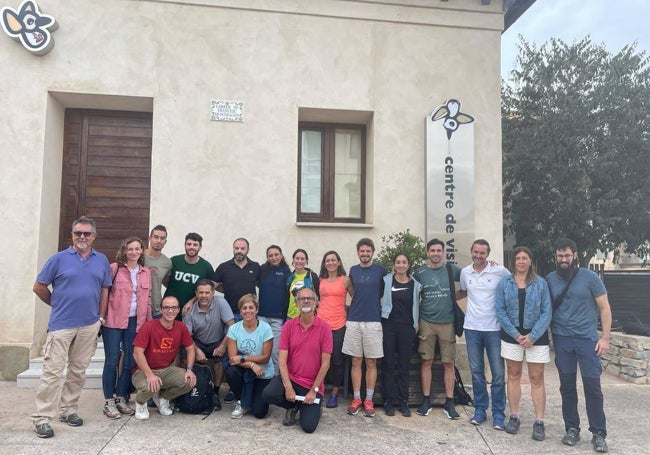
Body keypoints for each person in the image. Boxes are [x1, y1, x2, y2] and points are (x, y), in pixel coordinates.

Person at [31, 216, 111, 439]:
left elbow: (105, 289)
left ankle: (68, 410)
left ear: (94, 236)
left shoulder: (101, 260)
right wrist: (56, 303)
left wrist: (101, 317)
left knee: (78, 371)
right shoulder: (58, 259)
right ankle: (42, 418)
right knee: (52, 373)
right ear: (72, 235)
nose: (82, 237)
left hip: (89, 325)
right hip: (61, 325)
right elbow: (39, 287)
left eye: (86, 233)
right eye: (78, 233)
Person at [546, 238, 612, 453]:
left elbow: (604, 307)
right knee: (567, 387)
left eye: (567, 255)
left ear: (574, 255)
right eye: (559, 255)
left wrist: (605, 337)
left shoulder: (590, 277)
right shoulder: (549, 279)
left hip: (587, 341)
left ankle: (598, 433)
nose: (563, 259)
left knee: (592, 387)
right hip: (562, 339)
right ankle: (572, 428)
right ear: (555, 257)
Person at [495, 246, 552, 441]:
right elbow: (500, 311)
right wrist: (516, 334)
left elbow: (547, 312)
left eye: (524, 258)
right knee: (513, 375)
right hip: (512, 336)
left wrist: (533, 336)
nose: (521, 261)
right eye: (518, 258)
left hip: (537, 337)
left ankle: (539, 421)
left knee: (537, 378)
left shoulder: (541, 284)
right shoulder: (504, 284)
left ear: (530, 261)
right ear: (514, 262)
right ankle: (515, 416)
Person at [262, 287, 332, 433]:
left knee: (308, 427)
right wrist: (288, 387)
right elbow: (282, 360)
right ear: (297, 303)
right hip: (291, 378)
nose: (306, 301)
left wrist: (314, 391)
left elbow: (325, 363)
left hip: (312, 384)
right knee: (268, 394)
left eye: (310, 298)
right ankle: (292, 406)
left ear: (316, 303)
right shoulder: (288, 326)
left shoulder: (325, 328)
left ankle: (313, 407)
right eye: (302, 298)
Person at [459, 239, 510, 430]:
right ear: (471, 252)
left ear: (487, 254)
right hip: (472, 328)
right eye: (476, 252)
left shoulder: (500, 271)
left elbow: (513, 285)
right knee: (477, 372)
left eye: (482, 253)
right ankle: (480, 409)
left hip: (494, 330)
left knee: (497, 374)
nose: (478, 256)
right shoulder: (466, 273)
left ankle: (498, 413)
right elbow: (464, 292)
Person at [101, 237, 152, 419]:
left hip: (135, 322)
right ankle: (109, 401)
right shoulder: (114, 269)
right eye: (130, 249)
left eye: (137, 249)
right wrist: (101, 316)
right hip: (113, 322)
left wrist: (148, 323)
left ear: (141, 251)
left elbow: (148, 299)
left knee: (130, 361)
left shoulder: (145, 272)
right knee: (112, 361)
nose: (134, 252)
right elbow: (104, 293)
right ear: (124, 251)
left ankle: (121, 397)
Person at [413, 238, 462, 419]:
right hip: (426, 322)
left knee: (449, 363)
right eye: (432, 250)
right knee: (426, 362)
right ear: (427, 252)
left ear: (443, 252)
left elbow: (471, 278)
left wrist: (454, 297)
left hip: (448, 323)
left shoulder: (452, 269)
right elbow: (413, 296)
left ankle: (449, 402)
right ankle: (426, 399)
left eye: (438, 250)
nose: (435, 254)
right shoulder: (420, 273)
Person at [131, 296, 197, 420]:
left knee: (189, 381)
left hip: (166, 370)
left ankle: (163, 398)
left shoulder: (181, 327)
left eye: (173, 308)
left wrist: (189, 369)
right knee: (148, 386)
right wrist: (150, 375)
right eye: (166, 307)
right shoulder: (149, 326)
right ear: (161, 310)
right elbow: (137, 353)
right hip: (143, 371)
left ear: (178, 310)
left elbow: (190, 348)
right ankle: (140, 403)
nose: (170, 311)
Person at [342, 238, 387, 417]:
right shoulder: (353, 270)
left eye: (368, 251)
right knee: (355, 361)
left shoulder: (380, 270)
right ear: (358, 252)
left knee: (371, 362)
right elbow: (352, 291)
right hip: (354, 320)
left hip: (373, 320)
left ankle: (368, 399)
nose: (365, 254)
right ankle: (356, 399)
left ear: (373, 252)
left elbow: (384, 291)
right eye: (362, 251)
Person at [183, 279, 235, 411]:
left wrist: (223, 345)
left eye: (207, 292)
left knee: (221, 360)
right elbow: (186, 336)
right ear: (196, 293)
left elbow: (232, 326)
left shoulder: (221, 302)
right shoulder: (189, 310)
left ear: (213, 293)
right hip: (198, 341)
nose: (204, 296)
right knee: (184, 354)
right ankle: (188, 389)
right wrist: (196, 350)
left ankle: (215, 392)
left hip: (218, 340)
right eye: (201, 293)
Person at [381, 252, 420, 417]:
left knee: (404, 366)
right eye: (398, 262)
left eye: (404, 262)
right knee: (388, 365)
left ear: (408, 265)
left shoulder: (416, 284)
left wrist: (416, 325)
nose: (401, 265)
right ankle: (388, 401)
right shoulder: (386, 280)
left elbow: (418, 305)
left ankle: (403, 402)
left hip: (407, 328)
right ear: (394, 264)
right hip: (389, 326)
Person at [225, 294, 274, 419]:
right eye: (244, 308)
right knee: (231, 371)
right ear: (240, 311)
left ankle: (251, 399)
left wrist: (243, 358)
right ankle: (241, 401)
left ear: (256, 309)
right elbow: (232, 358)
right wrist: (252, 364)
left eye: (251, 307)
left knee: (259, 412)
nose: (248, 311)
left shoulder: (265, 328)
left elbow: (265, 358)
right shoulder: (234, 329)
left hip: (262, 371)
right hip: (245, 369)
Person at [317, 250, 353, 408]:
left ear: (338, 262)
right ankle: (318, 390)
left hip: (339, 326)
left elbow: (355, 298)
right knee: (319, 360)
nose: (330, 263)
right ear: (324, 264)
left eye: (333, 260)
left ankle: (334, 394)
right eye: (327, 260)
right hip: (320, 325)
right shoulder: (320, 280)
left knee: (337, 361)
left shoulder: (345, 280)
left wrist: (347, 310)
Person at [257, 245, 291, 374]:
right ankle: (262, 377)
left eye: (276, 254)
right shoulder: (262, 270)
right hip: (262, 316)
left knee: (276, 351)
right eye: (270, 255)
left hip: (278, 318)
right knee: (262, 350)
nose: (274, 257)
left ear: (281, 255)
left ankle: (276, 378)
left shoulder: (287, 272)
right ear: (267, 257)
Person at [163, 232, 213, 318]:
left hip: (191, 310)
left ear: (200, 247)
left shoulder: (206, 266)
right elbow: (165, 280)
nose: (191, 247)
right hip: (170, 309)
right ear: (185, 245)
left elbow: (210, 288)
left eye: (195, 245)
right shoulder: (174, 261)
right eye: (189, 244)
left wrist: (192, 301)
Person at [212, 237, 260, 320]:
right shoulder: (224, 267)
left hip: (250, 313)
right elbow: (213, 285)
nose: (239, 251)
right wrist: (227, 289)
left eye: (243, 248)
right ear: (233, 249)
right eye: (236, 248)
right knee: (229, 333)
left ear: (248, 250)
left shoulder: (255, 266)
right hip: (229, 314)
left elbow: (260, 285)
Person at [144, 225, 172, 319]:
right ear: (150, 238)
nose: (159, 241)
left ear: (165, 242)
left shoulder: (167, 263)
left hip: (156, 310)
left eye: (162, 238)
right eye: (156, 237)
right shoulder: (138, 257)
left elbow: (166, 282)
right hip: (138, 309)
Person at [286, 248, 320, 318]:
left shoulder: (312, 276)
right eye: (297, 258)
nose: (299, 261)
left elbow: (317, 296)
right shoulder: (289, 277)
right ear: (293, 260)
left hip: (308, 316)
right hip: (291, 316)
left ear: (306, 261)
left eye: (302, 259)